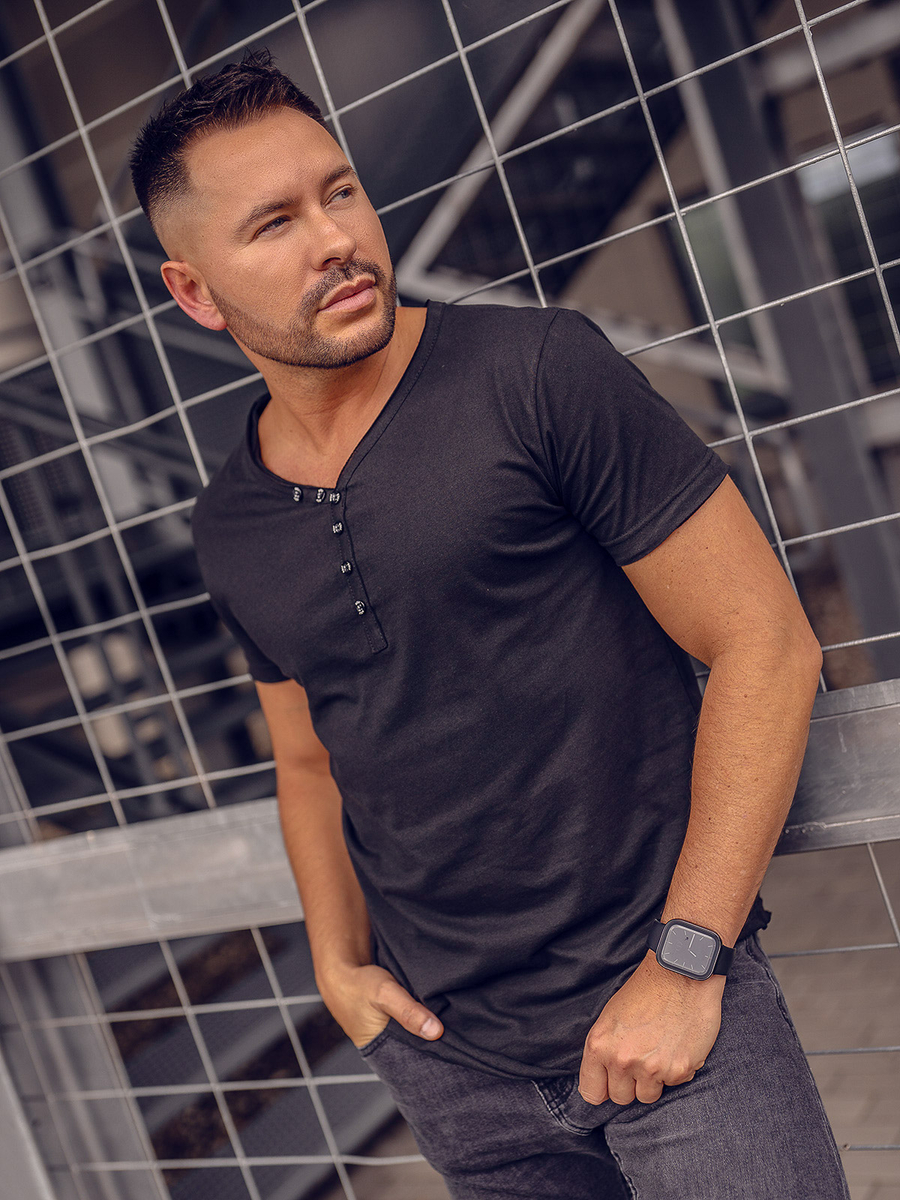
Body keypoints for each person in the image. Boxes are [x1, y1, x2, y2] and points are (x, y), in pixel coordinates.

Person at [130, 50, 849, 1200]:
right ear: (196, 292)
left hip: (671, 1020)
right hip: (458, 1073)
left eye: (340, 190)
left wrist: (686, 960)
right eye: (274, 223)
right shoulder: (231, 524)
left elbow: (766, 642)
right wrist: (336, 965)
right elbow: (307, 761)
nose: (336, 238)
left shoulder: (537, 373)